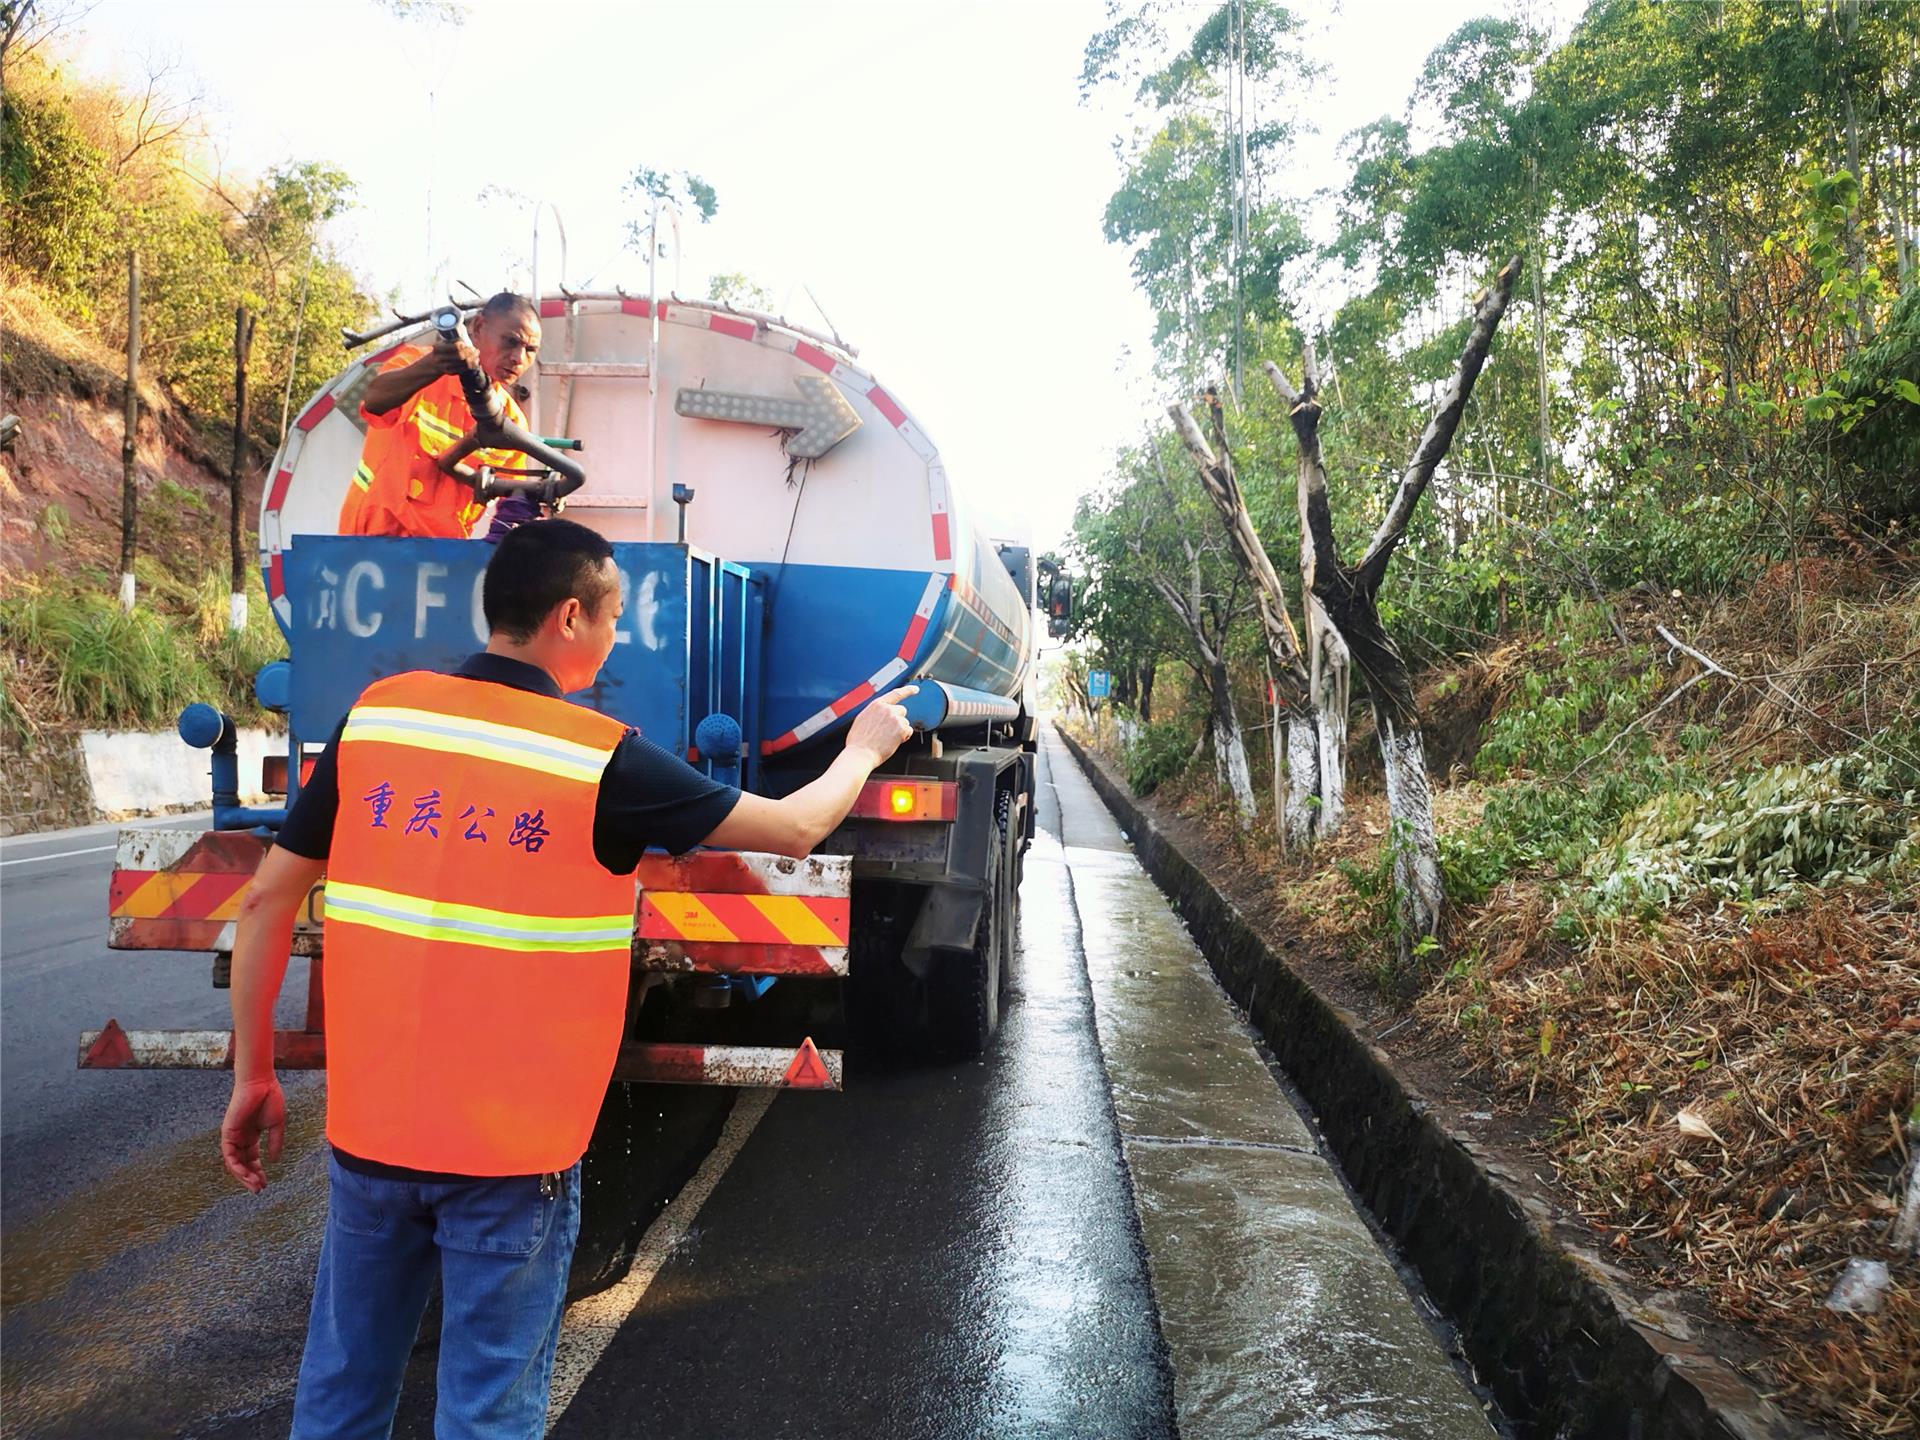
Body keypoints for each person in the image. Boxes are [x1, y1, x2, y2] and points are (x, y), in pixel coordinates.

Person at [220, 518, 915, 1438]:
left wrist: (255, 1075)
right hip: (512, 1159)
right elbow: (791, 830)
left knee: (340, 1400)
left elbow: (267, 904)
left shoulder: (379, 717)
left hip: (369, 1142)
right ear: (572, 616)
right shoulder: (596, 758)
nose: (616, 637)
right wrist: (864, 749)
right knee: (488, 1413)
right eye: (614, 617)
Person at [337, 291, 542, 539]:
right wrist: (434, 365)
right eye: (510, 341)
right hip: (374, 538)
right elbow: (375, 402)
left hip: (443, 554)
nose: (518, 358)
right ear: (478, 328)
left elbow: (512, 498)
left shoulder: (512, 421)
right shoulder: (418, 363)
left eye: (530, 350)